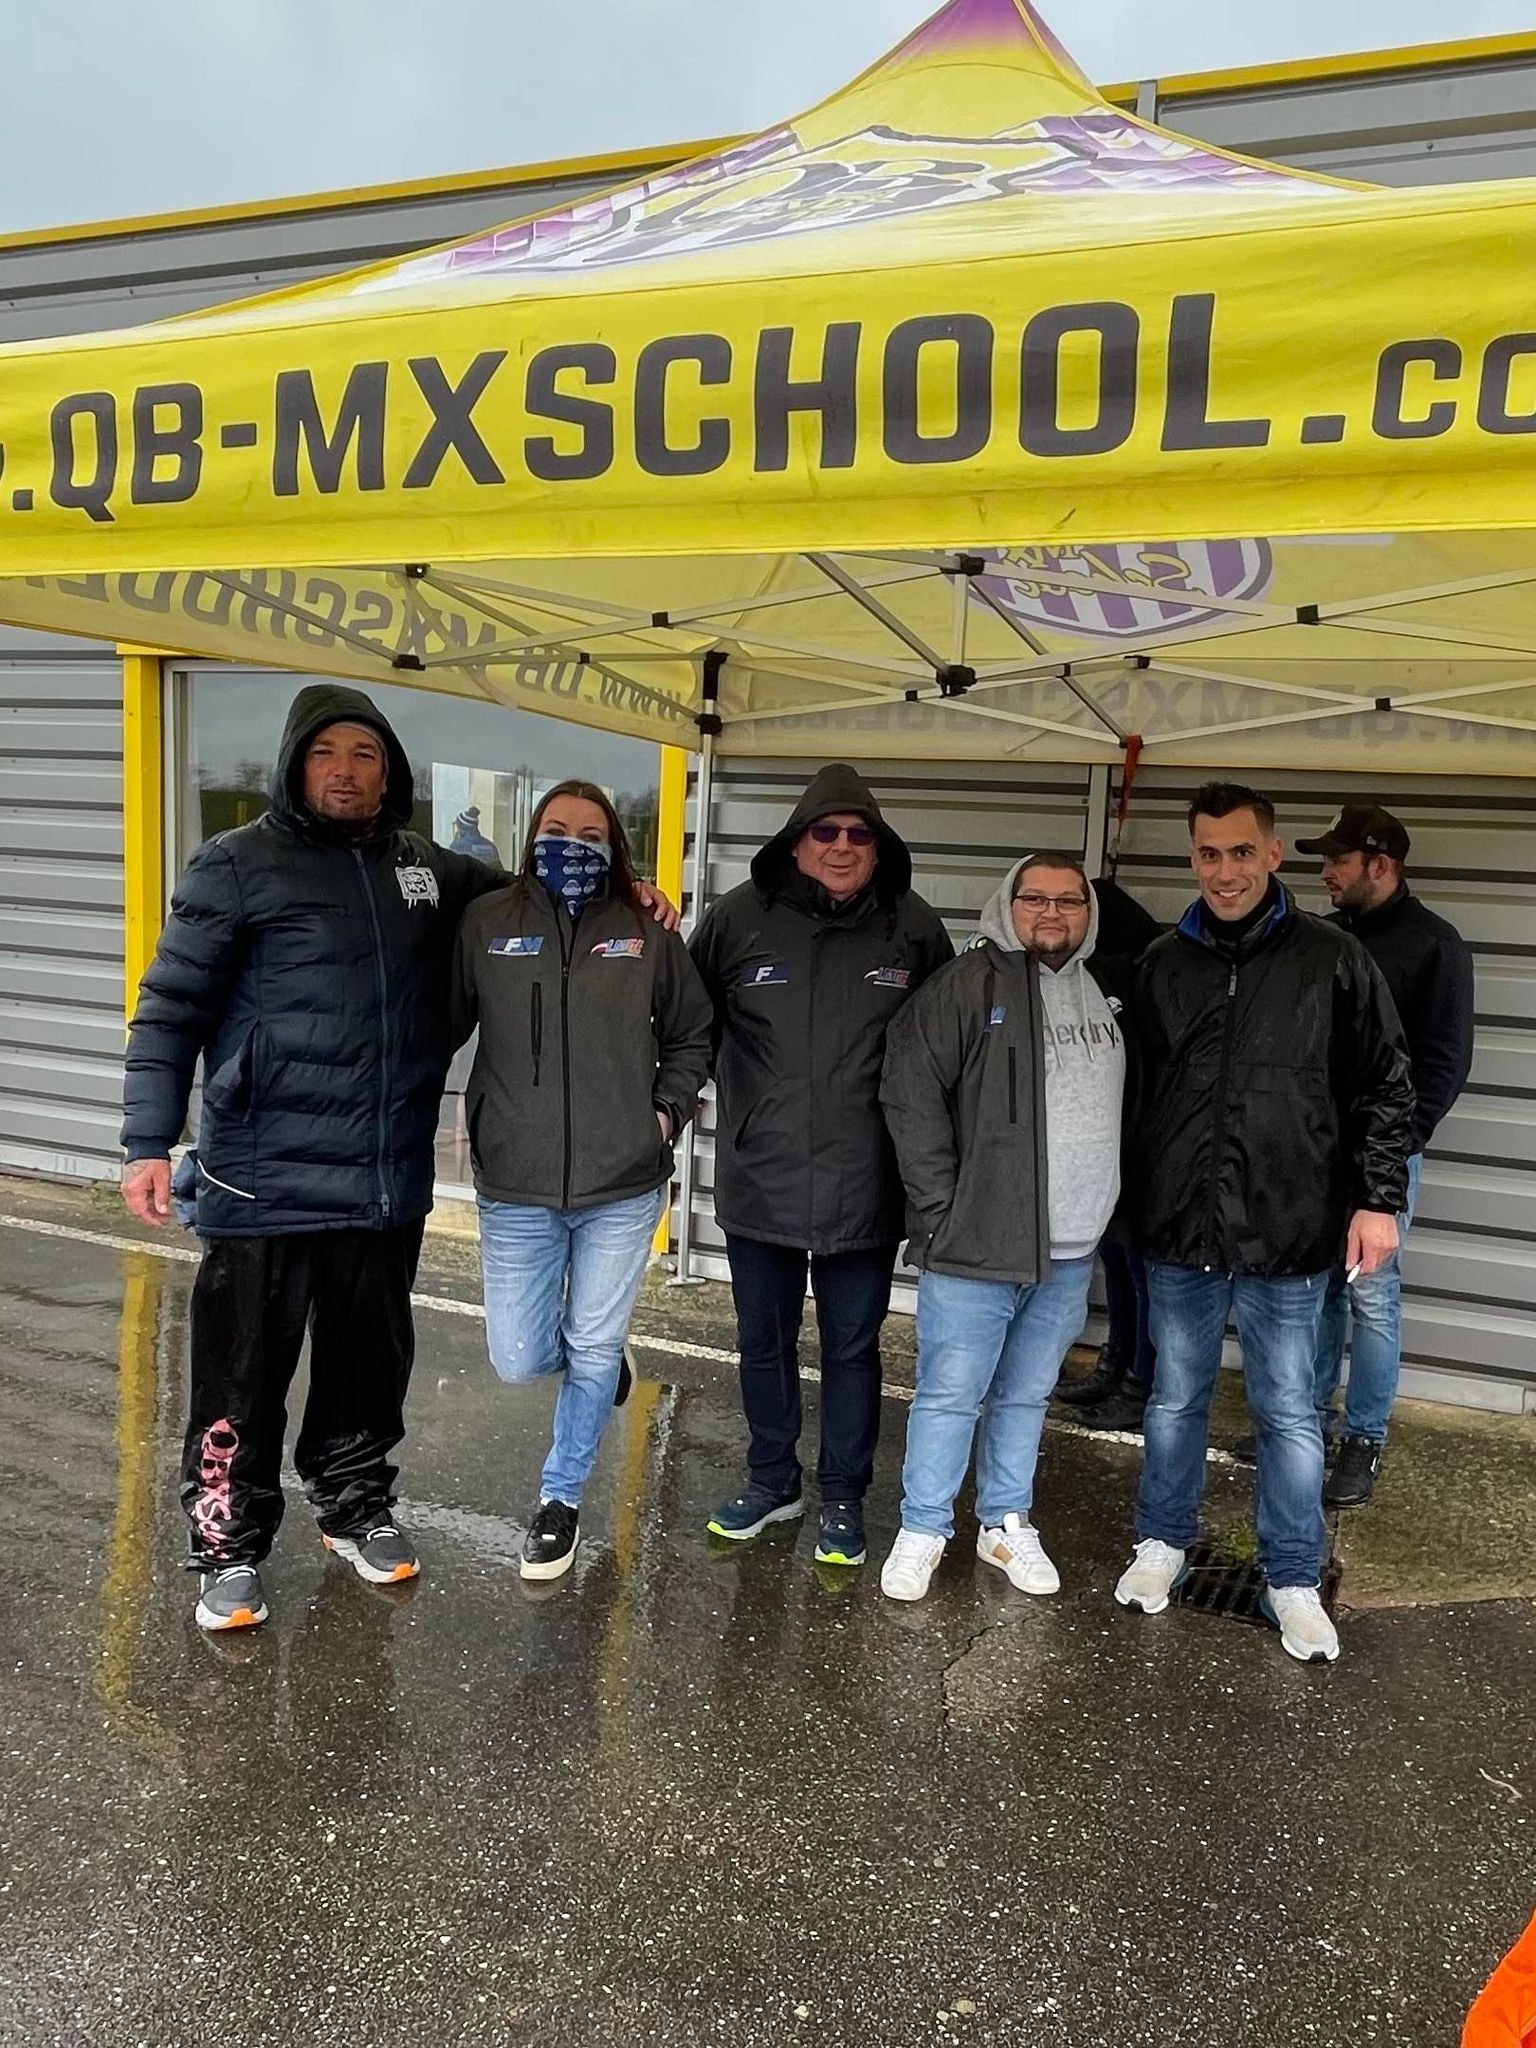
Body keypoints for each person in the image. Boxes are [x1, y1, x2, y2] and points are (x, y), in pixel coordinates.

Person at [120, 685, 677, 1632]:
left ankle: (352, 1507)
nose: (345, 771)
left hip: (383, 1175)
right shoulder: (236, 864)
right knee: (240, 1376)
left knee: (368, 1365)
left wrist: (633, 891)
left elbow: (532, 891)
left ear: (391, 772)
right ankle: (227, 1545)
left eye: (365, 754)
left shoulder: (426, 869)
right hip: (262, 1175)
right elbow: (170, 1007)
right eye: (326, 752)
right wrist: (146, 1141)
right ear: (295, 763)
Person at [1114, 782, 1413, 1665]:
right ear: (1193, 858)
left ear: (1274, 855)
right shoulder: (1163, 962)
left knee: (1287, 1410)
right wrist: (1131, 1201)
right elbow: (1136, 1095)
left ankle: (1291, 1576)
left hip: (1290, 1225)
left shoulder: (1333, 958)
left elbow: (1386, 1083)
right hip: (1181, 1230)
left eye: (1242, 852)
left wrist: (1378, 1199)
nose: (1225, 871)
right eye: (1209, 853)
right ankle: (1161, 1541)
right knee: (1175, 1397)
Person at [688, 764, 953, 1568]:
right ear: (796, 842)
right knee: (762, 1344)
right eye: (826, 831)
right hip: (760, 1177)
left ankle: (843, 1495)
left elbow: (950, 1052)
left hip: (865, 1185)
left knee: (851, 1351)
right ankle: (772, 1479)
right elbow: (686, 1024)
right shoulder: (738, 919)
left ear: (879, 846)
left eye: (859, 834)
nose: (842, 846)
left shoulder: (913, 928)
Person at [451, 780, 712, 1582]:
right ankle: (602, 1363)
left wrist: (661, 1118)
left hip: (623, 1182)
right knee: (519, 1358)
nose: (573, 844)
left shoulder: (645, 930)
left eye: (591, 834)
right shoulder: (486, 922)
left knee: (591, 1345)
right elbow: (440, 1022)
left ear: (614, 844)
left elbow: (694, 1033)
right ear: (532, 837)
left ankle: (559, 1499)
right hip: (516, 1182)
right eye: (557, 829)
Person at [877, 853, 1133, 1602]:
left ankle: (1004, 1522)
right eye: (1035, 899)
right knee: (950, 1394)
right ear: (1007, 905)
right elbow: (909, 1093)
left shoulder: (1105, 989)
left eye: (1069, 901)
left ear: (1088, 913)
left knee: (1026, 1393)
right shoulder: (966, 985)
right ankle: (923, 1527)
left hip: (1073, 1245)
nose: (1052, 913)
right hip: (977, 1244)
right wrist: (942, 1211)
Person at [1296, 803, 1474, 1507]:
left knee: (1372, 1296)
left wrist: (1393, 1150)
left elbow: (1445, 1062)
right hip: (1315, 1152)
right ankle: (1308, 1422)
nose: (1326, 872)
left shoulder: (1436, 945)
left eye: (1338, 860)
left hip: (1386, 1157)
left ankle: (1363, 1439)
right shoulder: (1324, 938)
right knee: (1318, 1292)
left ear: (1381, 864)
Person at [1054, 874, 1163, 1434]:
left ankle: (1140, 1385)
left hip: (1142, 1150)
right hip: (1110, 1149)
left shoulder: (1135, 978)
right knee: (1118, 1263)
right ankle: (1116, 1366)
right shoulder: (1094, 977)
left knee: (1138, 1271)